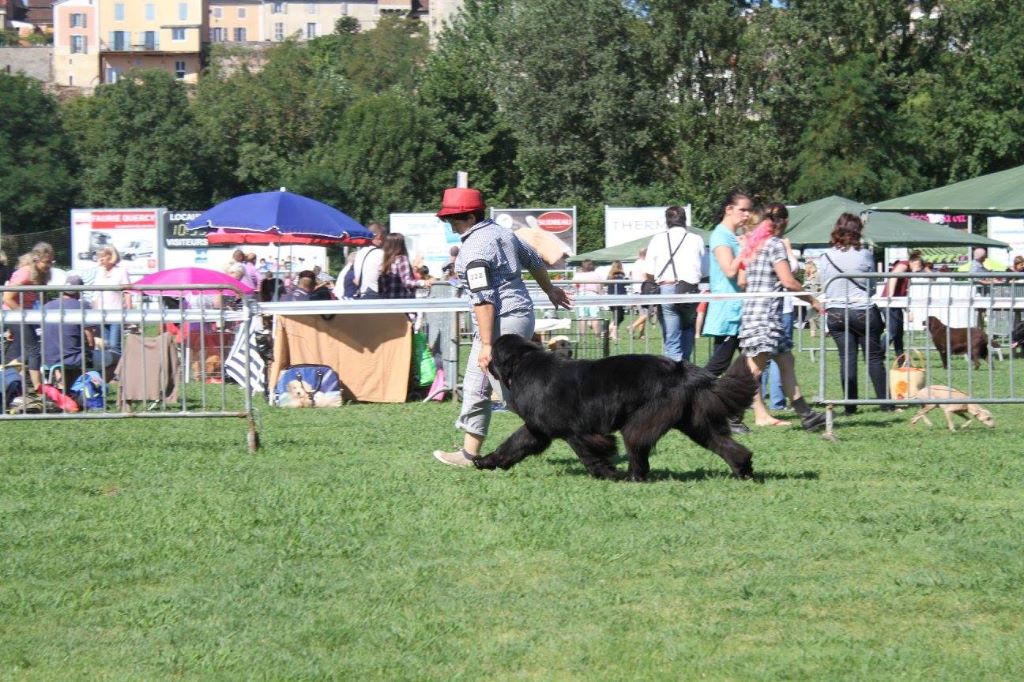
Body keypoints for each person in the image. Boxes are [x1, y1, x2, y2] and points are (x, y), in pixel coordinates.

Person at [432, 186, 573, 468]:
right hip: (515, 316)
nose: (450, 225)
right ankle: (468, 454)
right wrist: (549, 289)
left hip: (500, 322)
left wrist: (487, 345)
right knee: (476, 385)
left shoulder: (474, 249)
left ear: (470, 217)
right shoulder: (502, 233)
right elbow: (534, 259)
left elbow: (484, 299)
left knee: (513, 394)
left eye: (453, 219)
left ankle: (575, 424)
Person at [737, 204, 826, 430]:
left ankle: (806, 414)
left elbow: (742, 281)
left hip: (755, 313)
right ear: (784, 222)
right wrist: (812, 300)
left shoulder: (754, 245)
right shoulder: (775, 245)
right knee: (754, 371)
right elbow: (788, 281)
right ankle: (731, 416)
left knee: (786, 362)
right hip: (765, 316)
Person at [818, 213, 891, 415]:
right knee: (874, 358)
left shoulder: (825, 256)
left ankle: (850, 405)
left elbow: (824, 284)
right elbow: (872, 285)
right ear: (857, 230)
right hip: (862, 310)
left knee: (847, 358)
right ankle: (886, 403)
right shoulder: (864, 254)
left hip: (835, 312)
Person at [643, 205, 706, 361]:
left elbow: (649, 270)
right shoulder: (696, 239)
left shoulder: (658, 239)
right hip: (689, 290)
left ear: (667, 221)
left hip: (667, 289)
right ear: (685, 220)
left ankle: (675, 371)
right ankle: (686, 366)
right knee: (687, 328)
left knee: (672, 338)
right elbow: (704, 270)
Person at [703, 190, 753, 375]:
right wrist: (745, 249)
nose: (747, 215)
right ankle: (692, 392)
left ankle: (755, 398)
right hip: (727, 312)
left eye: (749, 210)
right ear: (729, 209)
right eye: (743, 210)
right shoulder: (720, 236)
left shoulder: (734, 237)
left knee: (754, 365)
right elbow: (730, 270)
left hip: (739, 310)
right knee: (717, 366)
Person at [2, 244, 53, 391]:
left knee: (29, 351)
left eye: (51, 261)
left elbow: (41, 297)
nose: (49, 265)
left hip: (26, 315)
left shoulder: (41, 274)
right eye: (46, 262)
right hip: (14, 314)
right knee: (34, 350)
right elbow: (7, 298)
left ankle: (9, 371)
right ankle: (38, 388)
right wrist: (22, 316)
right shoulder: (25, 273)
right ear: (36, 260)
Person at [760, 231, 799, 411]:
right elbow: (793, 270)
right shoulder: (776, 246)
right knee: (780, 358)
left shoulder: (759, 246)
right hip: (781, 310)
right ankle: (777, 402)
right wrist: (788, 249)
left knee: (766, 358)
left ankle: (760, 400)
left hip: (767, 309)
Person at [41, 274, 96, 389]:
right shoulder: (82, 306)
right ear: (80, 291)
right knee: (113, 359)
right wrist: (91, 349)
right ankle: (91, 389)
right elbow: (90, 339)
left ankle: (65, 388)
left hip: (48, 358)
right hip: (74, 358)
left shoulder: (47, 306)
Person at [92, 245, 131, 367]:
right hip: (101, 315)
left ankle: (119, 370)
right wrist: (94, 313)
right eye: (99, 257)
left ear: (111, 256)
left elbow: (127, 292)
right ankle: (109, 371)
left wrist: (129, 312)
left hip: (116, 314)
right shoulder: (99, 272)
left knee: (114, 345)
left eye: (103, 256)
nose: (100, 259)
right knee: (105, 345)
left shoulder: (121, 271)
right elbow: (95, 294)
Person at [881, 250, 924, 360]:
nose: (919, 269)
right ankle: (877, 354)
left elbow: (904, 293)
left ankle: (901, 360)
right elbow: (893, 276)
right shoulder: (904, 265)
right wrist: (890, 295)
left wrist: (908, 310)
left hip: (897, 304)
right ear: (913, 262)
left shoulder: (908, 272)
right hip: (890, 303)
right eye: (918, 265)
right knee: (892, 332)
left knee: (899, 334)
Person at [378, 233, 430, 299]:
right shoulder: (402, 259)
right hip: (400, 300)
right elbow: (406, 282)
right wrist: (423, 282)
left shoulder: (385, 261)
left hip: (386, 300)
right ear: (401, 245)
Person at [353, 222, 385, 298]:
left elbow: (356, 280)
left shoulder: (359, 253)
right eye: (384, 237)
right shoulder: (380, 253)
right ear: (379, 236)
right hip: (375, 294)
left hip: (362, 294)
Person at [573, 259, 604, 337]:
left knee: (582, 317)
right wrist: (600, 295)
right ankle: (597, 335)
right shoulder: (596, 275)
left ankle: (582, 336)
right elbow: (599, 287)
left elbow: (574, 286)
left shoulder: (578, 275)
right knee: (594, 317)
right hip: (593, 295)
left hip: (581, 296)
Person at [627, 248, 651, 339]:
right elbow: (645, 276)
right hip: (643, 290)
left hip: (635, 290)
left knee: (642, 314)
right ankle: (632, 326)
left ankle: (642, 334)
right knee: (647, 314)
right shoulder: (644, 263)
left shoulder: (635, 263)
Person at [606, 260, 628, 341]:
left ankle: (608, 332)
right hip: (618, 299)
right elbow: (622, 287)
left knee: (618, 317)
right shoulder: (620, 276)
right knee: (618, 317)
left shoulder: (610, 276)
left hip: (611, 299)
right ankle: (613, 334)